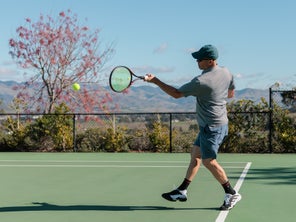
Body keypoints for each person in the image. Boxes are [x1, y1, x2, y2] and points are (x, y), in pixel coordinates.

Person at [144, 44, 241, 210]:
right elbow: (230, 94)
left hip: (212, 127)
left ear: (210, 61)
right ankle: (182, 190)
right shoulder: (226, 72)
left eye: (200, 59)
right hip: (216, 123)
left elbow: (176, 94)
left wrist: (155, 80)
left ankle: (231, 193)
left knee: (209, 161)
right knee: (195, 155)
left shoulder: (201, 81)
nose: (197, 61)